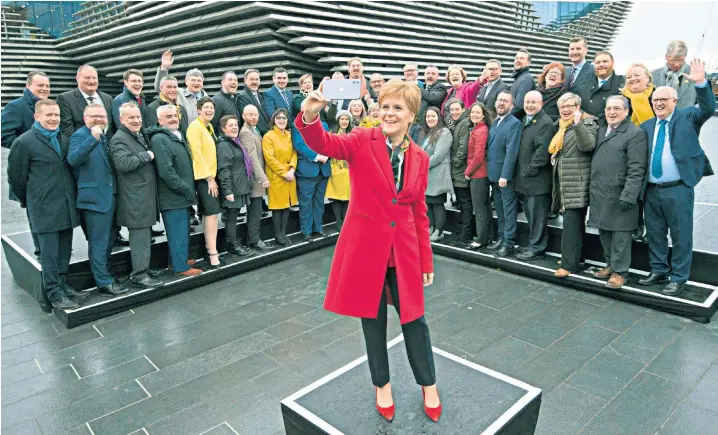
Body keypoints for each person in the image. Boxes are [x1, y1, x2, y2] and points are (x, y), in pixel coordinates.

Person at [296, 79, 441, 422]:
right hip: (366, 249)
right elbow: (325, 143)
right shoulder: (362, 139)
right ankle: (382, 386)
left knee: (415, 321)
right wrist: (310, 116)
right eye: (386, 106)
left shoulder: (419, 158)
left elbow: (418, 212)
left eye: (398, 108)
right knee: (372, 322)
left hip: (403, 251)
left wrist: (425, 258)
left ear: (412, 116)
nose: (389, 113)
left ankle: (428, 384)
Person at [638, 59, 715, 296]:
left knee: (681, 235)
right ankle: (658, 270)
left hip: (678, 188)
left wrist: (702, 84)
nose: (659, 103)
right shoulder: (647, 126)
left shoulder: (688, 117)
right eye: (655, 100)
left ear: (675, 101)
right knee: (655, 233)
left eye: (664, 99)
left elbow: (708, 108)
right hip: (651, 189)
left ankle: (679, 277)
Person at [8, 100, 89, 311]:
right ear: (37, 117)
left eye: (56, 115)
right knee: (49, 255)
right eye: (48, 115)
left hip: (66, 206)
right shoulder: (24, 142)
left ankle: (63, 286)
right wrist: (33, 200)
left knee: (64, 251)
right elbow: (16, 178)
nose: (53, 119)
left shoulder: (63, 139)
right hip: (44, 209)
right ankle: (53, 294)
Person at [67, 104, 129, 295]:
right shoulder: (80, 136)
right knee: (99, 242)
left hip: (111, 197)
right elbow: (73, 159)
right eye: (94, 116)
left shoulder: (105, 136)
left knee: (110, 240)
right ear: (85, 118)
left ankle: (106, 274)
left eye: (102, 117)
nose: (100, 120)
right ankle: (103, 282)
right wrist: (92, 138)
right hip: (94, 200)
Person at [588, 96, 647, 289]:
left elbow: (637, 168)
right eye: (608, 109)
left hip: (620, 193)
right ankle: (611, 264)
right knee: (604, 231)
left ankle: (620, 272)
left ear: (626, 111)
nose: (611, 112)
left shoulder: (635, 133)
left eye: (616, 109)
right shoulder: (602, 130)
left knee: (621, 236)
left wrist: (629, 195)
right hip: (601, 191)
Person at [109, 102, 164, 289]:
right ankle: (139, 274)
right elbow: (123, 163)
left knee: (144, 235)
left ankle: (144, 268)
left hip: (143, 195)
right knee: (139, 238)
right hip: (135, 198)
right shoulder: (119, 139)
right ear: (121, 119)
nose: (136, 120)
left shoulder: (136, 134)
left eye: (138, 117)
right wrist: (147, 155)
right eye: (131, 118)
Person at [148, 105, 203, 277]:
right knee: (176, 232)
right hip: (173, 195)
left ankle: (180, 260)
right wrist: (185, 188)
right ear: (159, 120)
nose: (173, 118)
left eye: (174, 115)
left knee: (183, 231)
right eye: (168, 116)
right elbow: (166, 171)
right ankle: (180, 268)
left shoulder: (175, 135)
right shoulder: (159, 139)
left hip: (183, 195)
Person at [2, 71, 51, 256]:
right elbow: (4, 135)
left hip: (48, 169)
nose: (45, 89)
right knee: (35, 209)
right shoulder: (16, 107)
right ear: (28, 86)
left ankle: (51, 245)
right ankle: (41, 247)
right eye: (40, 86)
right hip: (29, 169)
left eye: (47, 86)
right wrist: (29, 148)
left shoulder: (47, 106)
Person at [550, 93, 599, 278]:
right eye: (562, 106)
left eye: (569, 105)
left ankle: (568, 265)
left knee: (571, 224)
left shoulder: (587, 123)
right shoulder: (562, 126)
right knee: (575, 224)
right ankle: (576, 259)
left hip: (578, 181)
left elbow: (588, 145)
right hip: (566, 180)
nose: (565, 109)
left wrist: (578, 124)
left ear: (578, 106)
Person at [515, 91, 554, 261]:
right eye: (527, 102)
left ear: (542, 103)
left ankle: (537, 248)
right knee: (531, 215)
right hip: (527, 179)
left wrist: (529, 170)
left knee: (537, 216)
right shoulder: (526, 119)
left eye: (534, 102)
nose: (530, 105)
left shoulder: (544, 122)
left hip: (537, 180)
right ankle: (533, 243)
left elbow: (541, 152)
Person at [187, 97, 223, 268]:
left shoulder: (208, 127)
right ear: (198, 110)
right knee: (211, 214)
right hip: (205, 178)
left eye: (211, 108)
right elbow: (197, 154)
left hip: (212, 177)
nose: (209, 110)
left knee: (212, 215)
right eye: (206, 107)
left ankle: (211, 247)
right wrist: (209, 179)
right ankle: (212, 253)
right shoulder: (194, 128)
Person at [486, 91, 522, 257]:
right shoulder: (496, 122)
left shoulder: (514, 123)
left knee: (508, 210)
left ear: (511, 105)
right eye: (499, 100)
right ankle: (501, 238)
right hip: (494, 174)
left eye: (505, 101)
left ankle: (509, 243)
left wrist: (505, 176)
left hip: (504, 177)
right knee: (499, 210)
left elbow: (511, 151)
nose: (501, 103)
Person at [216, 115, 255, 255]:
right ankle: (233, 245)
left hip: (240, 186)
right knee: (231, 217)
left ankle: (233, 242)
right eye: (230, 125)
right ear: (223, 128)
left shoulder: (234, 142)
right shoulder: (224, 145)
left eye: (236, 125)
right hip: (233, 188)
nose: (234, 127)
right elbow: (224, 169)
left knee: (234, 215)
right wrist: (228, 190)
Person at [292, 108, 331, 241]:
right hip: (307, 171)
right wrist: (317, 156)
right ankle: (307, 231)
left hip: (323, 170)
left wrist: (326, 154)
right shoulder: (297, 126)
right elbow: (299, 145)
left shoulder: (324, 125)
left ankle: (318, 228)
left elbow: (329, 142)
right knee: (306, 203)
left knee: (319, 202)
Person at [238, 105, 272, 250]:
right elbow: (252, 158)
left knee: (257, 210)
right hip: (255, 179)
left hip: (257, 178)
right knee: (255, 211)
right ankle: (254, 240)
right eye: (250, 115)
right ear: (243, 116)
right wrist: (262, 177)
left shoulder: (254, 130)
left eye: (255, 114)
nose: (253, 117)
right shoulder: (245, 133)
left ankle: (254, 238)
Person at [263, 108, 298, 245]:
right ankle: (278, 234)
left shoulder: (290, 134)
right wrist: (284, 173)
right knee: (278, 208)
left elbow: (294, 153)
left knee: (286, 206)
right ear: (274, 120)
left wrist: (292, 169)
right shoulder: (269, 136)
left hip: (290, 175)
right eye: (279, 118)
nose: (282, 120)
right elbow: (270, 158)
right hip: (277, 176)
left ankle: (283, 232)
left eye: (284, 118)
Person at [418, 107, 453, 241]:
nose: (430, 119)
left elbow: (438, 156)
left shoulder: (444, 132)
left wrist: (421, 165)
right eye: (428, 117)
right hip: (427, 175)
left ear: (439, 117)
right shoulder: (429, 133)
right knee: (428, 203)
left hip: (438, 174)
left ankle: (439, 231)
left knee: (437, 204)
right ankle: (431, 227)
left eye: (433, 116)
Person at [58, 64, 115, 138]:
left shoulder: (108, 98)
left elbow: (111, 127)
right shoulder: (65, 99)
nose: (91, 81)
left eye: (94, 78)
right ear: (77, 78)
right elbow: (67, 130)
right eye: (87, 78)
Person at [464, 103, 493, 249]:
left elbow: (478, 156)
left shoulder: (481, 131)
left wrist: (467, 172)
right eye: (472, 112)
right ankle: (487, 236)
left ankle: (481, 239)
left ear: (483, 115)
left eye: (478, 112)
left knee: (479, 208)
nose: (474, 114)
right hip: (480, 173)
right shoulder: (477, 128)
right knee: (485, 207)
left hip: (478, 174)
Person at [153, 50, 208, 123]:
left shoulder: (207, 99)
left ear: (202, 83)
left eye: (199, 80)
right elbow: (160, 87)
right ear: (186, 81)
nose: (196, 83)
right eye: (193, 80)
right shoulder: (178, 92)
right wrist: (164, 68)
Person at [448, 99, 473, 243]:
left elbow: (463, 148)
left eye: (457, 109)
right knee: (462, 202)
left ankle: (466, 233)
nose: (454, 112)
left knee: (465, 202)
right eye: (452, 110)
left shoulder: (464, 123)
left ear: (463, 109)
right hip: (458, 169)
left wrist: (455, 163)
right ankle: (463, 230)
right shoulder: (458, 123)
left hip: (461, 169)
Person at [652, 40, 698, 109]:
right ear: (666, 57)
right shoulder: (652, 76)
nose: (677, 64)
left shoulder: (697, 75)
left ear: (685, 56)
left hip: (686, 119)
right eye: (673, 60)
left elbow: (704, 103)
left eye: (680, 60)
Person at [326, 111, 352, 231]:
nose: (344, 121)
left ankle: (346, 221)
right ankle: (338, 221)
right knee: (337, 197)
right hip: (336, 168)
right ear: (338, 120)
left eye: (346, 119)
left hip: (349, 169)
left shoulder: (353, 133)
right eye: (342, 119)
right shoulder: (333, 133)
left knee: (347, 197)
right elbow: (328, 148)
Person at [582, 51, 625, 124]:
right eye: (598, 62)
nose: (601, 64)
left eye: (605, 61)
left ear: (612, 63)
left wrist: (596, 119)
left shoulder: (622, 84)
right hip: (587, 130)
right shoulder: (585, 84)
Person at [237, 68, 271, 135]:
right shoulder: (243, 97)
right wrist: (268, 133)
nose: (254, 82)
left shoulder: (261, 96)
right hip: (255, 135)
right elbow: (249, 121)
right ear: (245, 80)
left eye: (257, 79)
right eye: (252, 79)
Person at [565, 37, 596, 103]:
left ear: (586, 50)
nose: (574, 52)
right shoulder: (565, 72)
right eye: (572, 49)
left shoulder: (594, 71)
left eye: (578, 49)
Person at [510, 49, 535, 119]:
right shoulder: (519, 77)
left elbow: (519, 106)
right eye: (516, 58)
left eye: (522, 58)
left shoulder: (526, 79)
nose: (518, 60)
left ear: (528, 63)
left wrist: (505, 119)